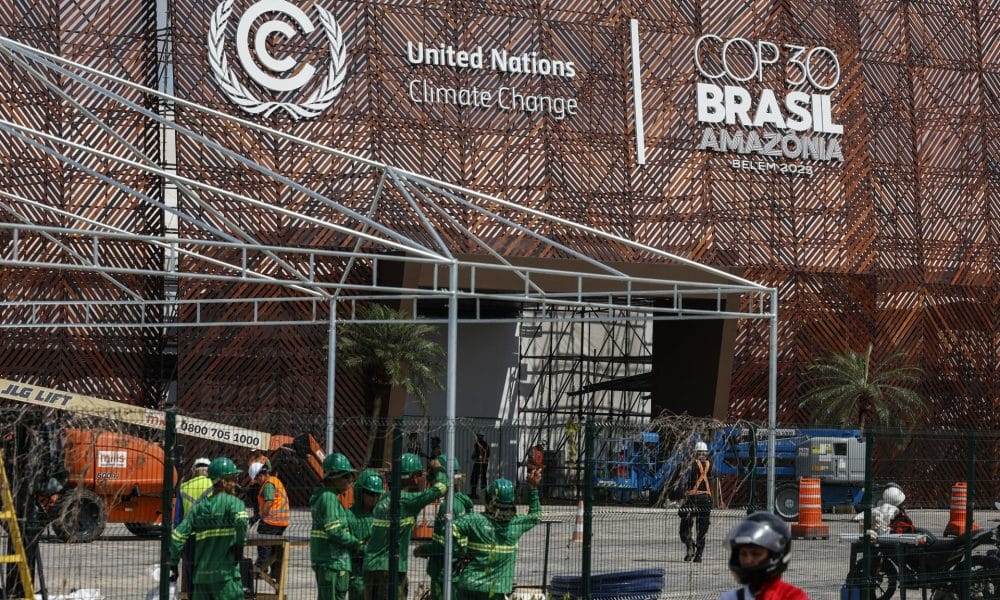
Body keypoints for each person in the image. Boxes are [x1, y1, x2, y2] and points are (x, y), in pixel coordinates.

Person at [362, 453, 447, 600]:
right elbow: (441, 488)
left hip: (370, 566)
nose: (422, 478)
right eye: (420, 475)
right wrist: (439, 469)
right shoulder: (408, 500)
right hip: (391, 569)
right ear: (414, 478)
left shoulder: (385, 497)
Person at [451, 469, 543, 600]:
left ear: (490, 501)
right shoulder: (516, 525)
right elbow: (536, 515)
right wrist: (533, 488)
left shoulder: (473, 521)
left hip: (469, 586)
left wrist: (460, 551)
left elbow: (450, 529)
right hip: (496, 590)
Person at [169, 457, 249, 600]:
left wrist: (173, 564)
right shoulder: (233, 503)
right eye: (233, 479)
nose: (236, 484)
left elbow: (176, 537)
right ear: (223, 482)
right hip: (225, 579)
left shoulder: (198, 509)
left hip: (201, 579)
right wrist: (239, 546)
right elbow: (242, 521)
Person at [416, 456, 474, 600]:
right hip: (455, 569)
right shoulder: (462, 502)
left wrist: (423, 550)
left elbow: (444, 545)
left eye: (435, 474)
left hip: (443, 572)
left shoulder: (448, 507)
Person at [311, 453, 365, 600]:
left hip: (329, 562)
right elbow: (334, 531)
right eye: (347, 476)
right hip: (333, 563)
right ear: (334, 477)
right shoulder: (329, 498)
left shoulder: (326, 497)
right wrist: (355, 543)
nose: (350, 480)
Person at [718, 512, 808, 600]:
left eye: (755, 554)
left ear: (775, 556)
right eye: (743, 554)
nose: (747, 560)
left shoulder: (793, 596)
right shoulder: (731, 597)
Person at [175, 457, 212, 599]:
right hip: (209, 537)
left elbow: (178, 518)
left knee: (191, 573)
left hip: (189, 537)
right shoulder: (215, 486)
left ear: (194, 470)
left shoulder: (184, 487)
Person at [672, 440, 712, 562]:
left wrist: (677, 497)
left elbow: (680, 482)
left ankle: (690, 546)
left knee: (685, 524)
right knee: (702, 528)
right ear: (706, 453)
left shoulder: (689, 465)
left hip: (692, 500)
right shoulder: (712, 465)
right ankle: (699, 555)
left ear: (695, 453)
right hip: (706, 501)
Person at [248, 461, 290, 579]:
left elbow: (269, 502)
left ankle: (261, 569)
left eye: (256, 479)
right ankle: (276, 572)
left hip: (271, 521)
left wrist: (258, 516)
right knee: (276, 548)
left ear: (260, 475)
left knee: (264, 544)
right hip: (282, 521)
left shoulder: (268, 485)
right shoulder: (275, 481)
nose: (257, 482)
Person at [347, 469, 384, 600]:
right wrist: (365, 548)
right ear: (360, 492)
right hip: (358, 575)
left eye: (377, 495)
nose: (374, 498)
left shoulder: (381, 516)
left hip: (379, 574)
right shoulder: (349, 516)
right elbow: (348, 545)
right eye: (370, 494)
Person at [469, 434, 489, 500]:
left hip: (482, 464)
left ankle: (483, 494)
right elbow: (475, 453)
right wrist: (474, 457)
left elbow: (486, 453)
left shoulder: (483, 444)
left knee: (481, 478)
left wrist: (481, 459)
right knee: (475, 477)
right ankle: (474, 494)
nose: (477, 438)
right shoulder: (477, 444)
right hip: (479, 463)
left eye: (478, 437)